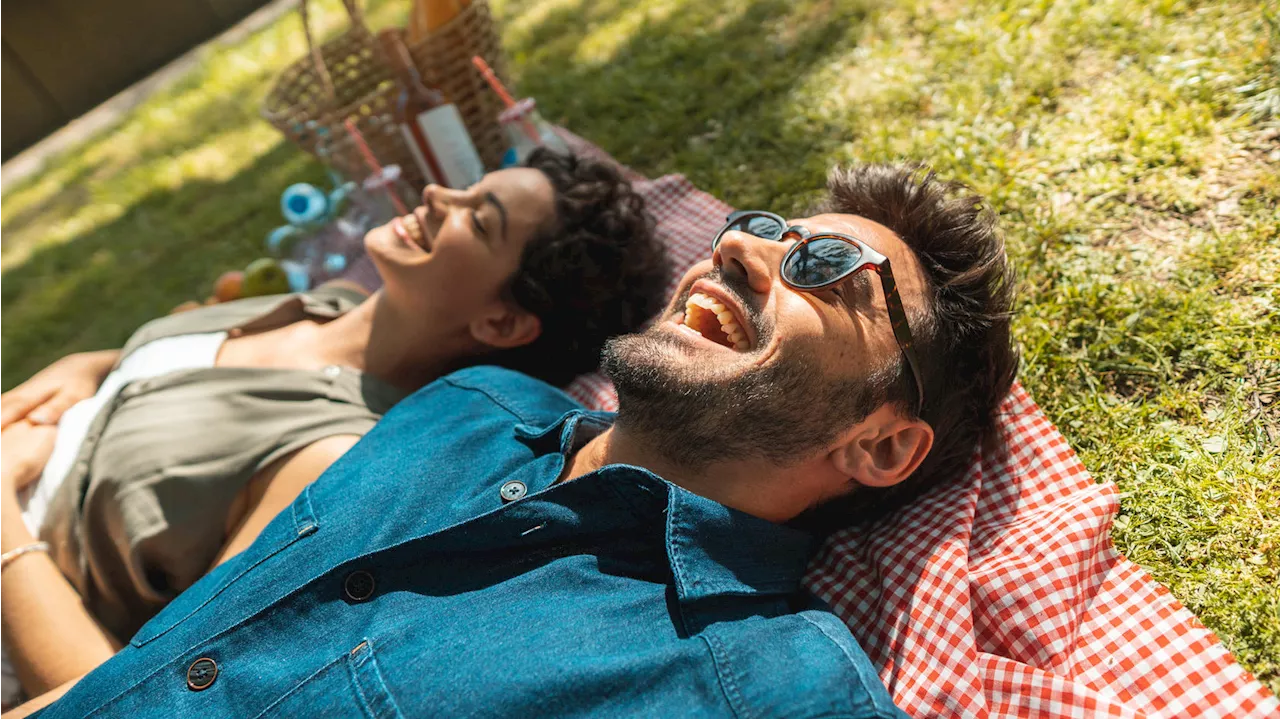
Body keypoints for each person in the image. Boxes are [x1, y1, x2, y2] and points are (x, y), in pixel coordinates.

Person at [10, 162, 1018, 718]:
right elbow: (167, 659)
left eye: (828, 266)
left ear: (881, 445)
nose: (741, 243)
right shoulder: (469, 406)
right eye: (765, 223)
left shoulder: (767, 685)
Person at [0, 149, 669, 700]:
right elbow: (159, 374)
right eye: (468, 187)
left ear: (501, 323)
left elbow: (118, 696)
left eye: (480, 219)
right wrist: (86, 366)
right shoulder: (326, 303)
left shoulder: (332, 455)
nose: (438, 193)